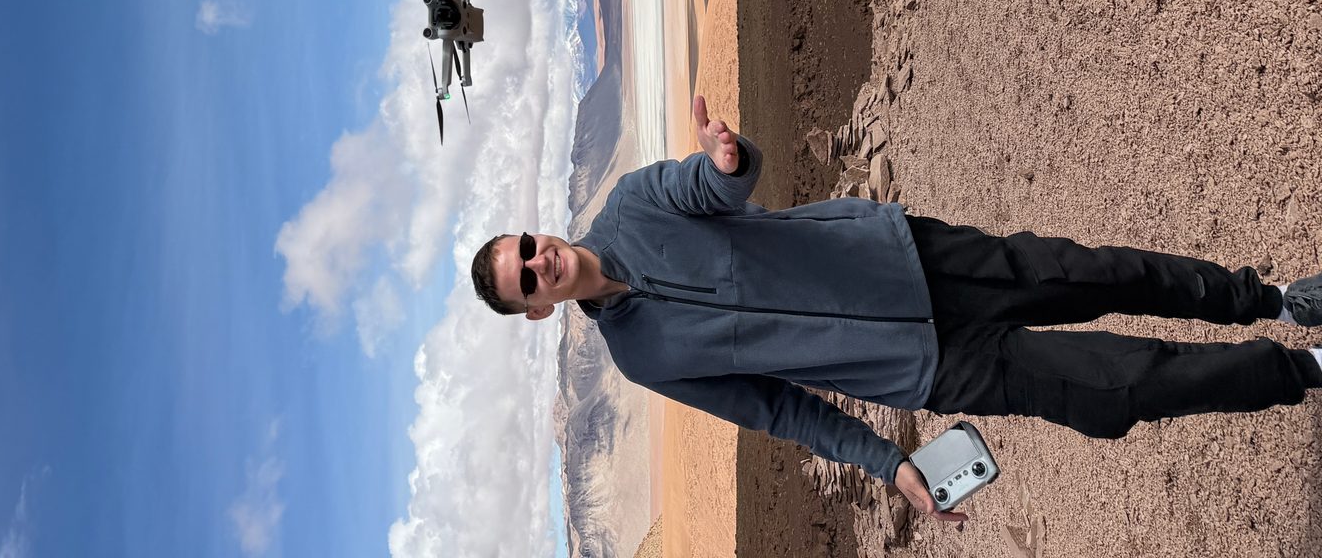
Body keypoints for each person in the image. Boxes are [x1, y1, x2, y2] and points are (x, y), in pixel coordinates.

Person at [472, 95, 1322, 526]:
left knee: (1100, 275)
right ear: (540, 313)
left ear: (537, 232)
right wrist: (886, 463)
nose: (542, 262)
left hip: (907, 260)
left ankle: (1270, 300)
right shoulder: (642, 359)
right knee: (1114, 388)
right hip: (922, 369)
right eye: (530, 281)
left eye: (528, 248)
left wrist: (728, 160)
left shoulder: (630, 205)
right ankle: (1303, 369)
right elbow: (772, 407)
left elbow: (714, 185)